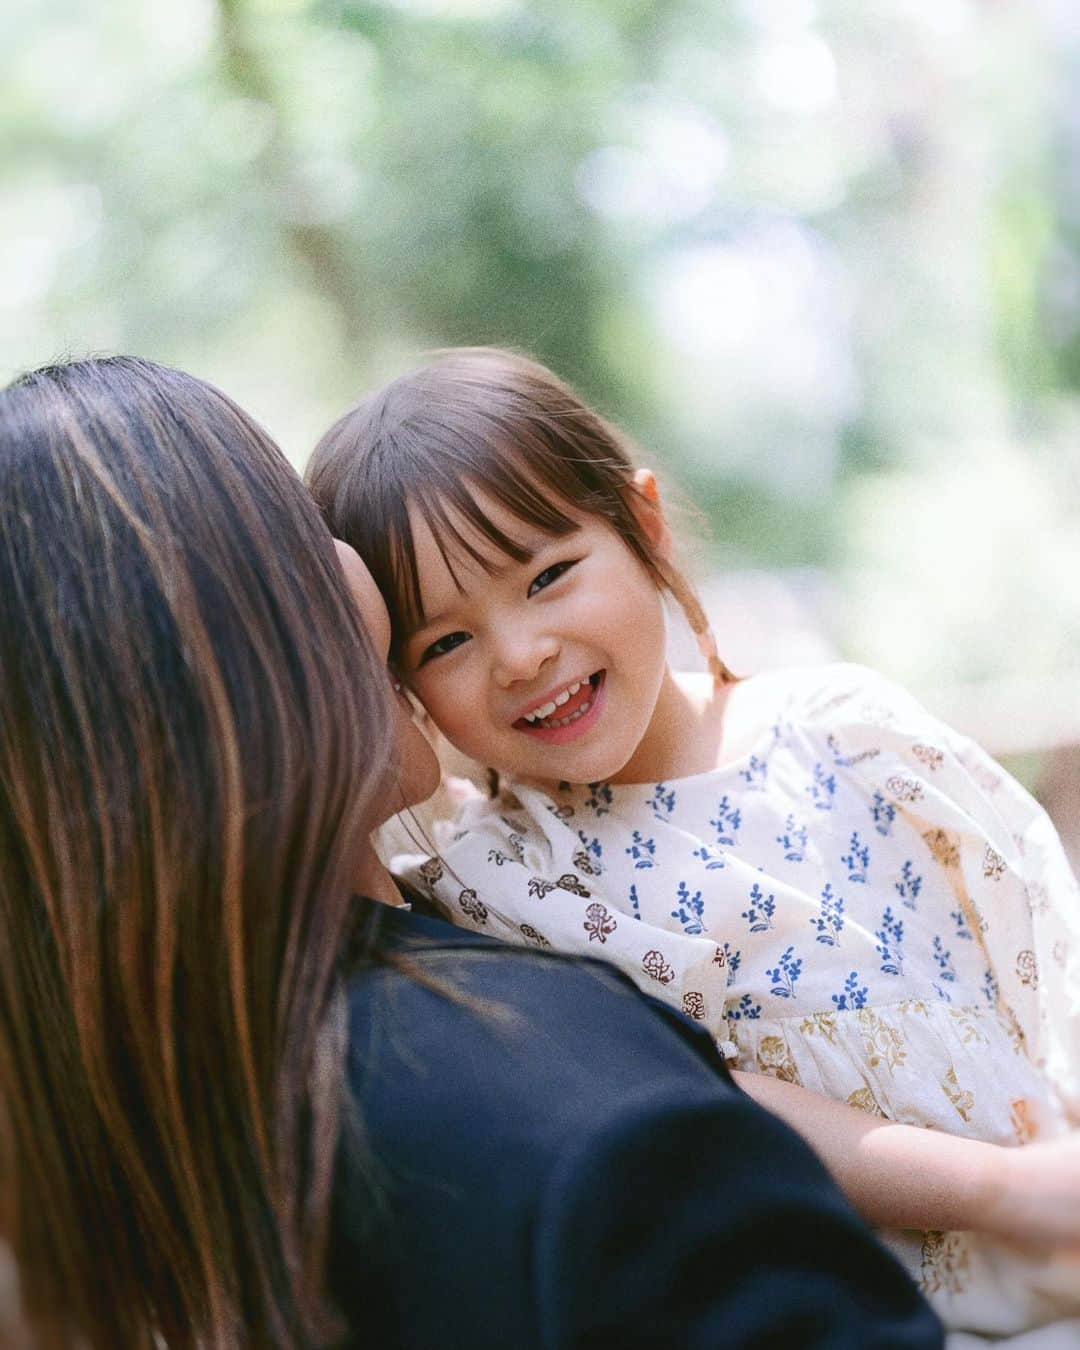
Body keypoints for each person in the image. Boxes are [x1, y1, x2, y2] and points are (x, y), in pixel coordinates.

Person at [0, 355, 946, 1350]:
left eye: (547, 575)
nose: (516, 653)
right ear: (234, 635)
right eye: (294, 523)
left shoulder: (124, 1141)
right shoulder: (577, 1119)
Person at [308, 345, 1080, 1341]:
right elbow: (723, 1095)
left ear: (646, 525)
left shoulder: (840, 729)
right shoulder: (500, 882)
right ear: (402, 689)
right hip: (907, 1311)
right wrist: (1002, 1191)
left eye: (548, 575)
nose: (520, 653)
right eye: (446, 642)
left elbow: (1026, 907)